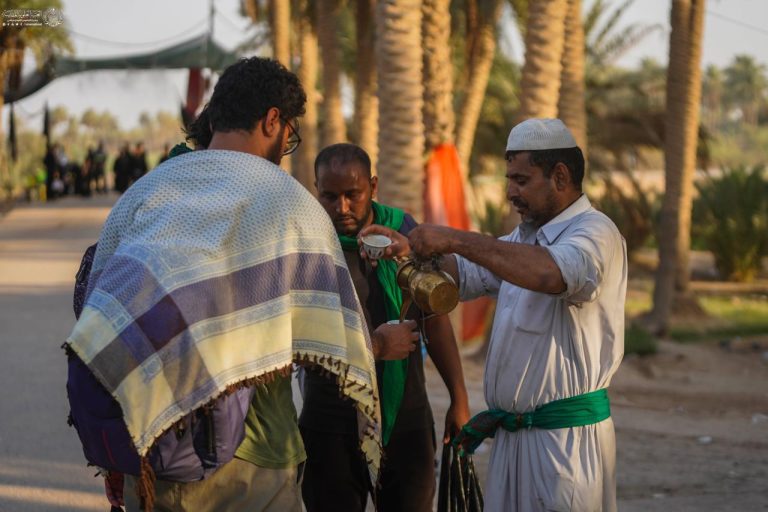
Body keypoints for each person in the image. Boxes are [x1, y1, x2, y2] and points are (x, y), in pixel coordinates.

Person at [66, 57, 407, 512]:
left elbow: (98, 309)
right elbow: (333, 338)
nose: (286, 145)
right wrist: (377, 345)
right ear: (272, 120)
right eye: (289, 133)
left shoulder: (147, 191)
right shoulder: (289, 203)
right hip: (252, 466)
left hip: (149, 448)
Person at [361, 118, 627, 511]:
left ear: (560, 176)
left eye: (521, 180)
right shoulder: (524, 238)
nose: (510, 192)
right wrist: (410, 253)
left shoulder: (594, 232)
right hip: (513, 442)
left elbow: (550, 272)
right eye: (509, 180)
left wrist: (454, 237)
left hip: (564, 447)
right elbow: (465, 273)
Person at [300, 143, 470, 512]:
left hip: (404, 415)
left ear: (373, 187)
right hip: (330, 418)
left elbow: (434, 320)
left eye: (353, 194)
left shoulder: (404, 232)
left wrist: (459, 398)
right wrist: (376, 344)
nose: (342, 207)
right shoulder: (305, 242)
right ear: (316, 190)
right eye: (329, 196)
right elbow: (299, 338)